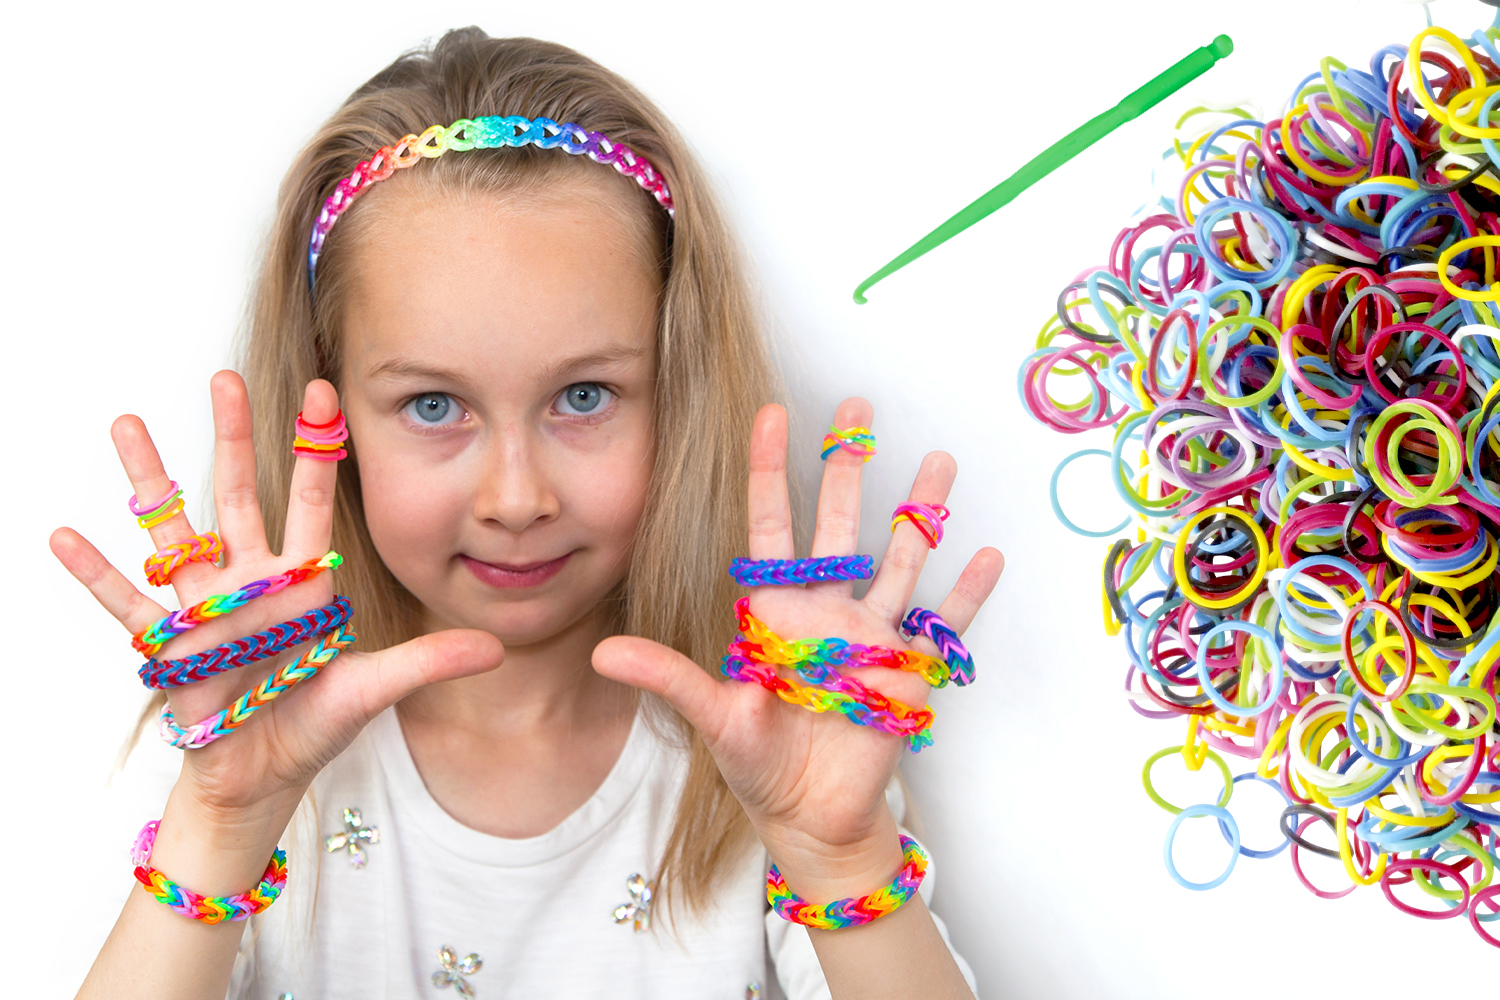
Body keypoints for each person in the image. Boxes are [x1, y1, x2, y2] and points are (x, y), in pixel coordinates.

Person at [52, 27, 1004, 1000]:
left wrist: (843, 863)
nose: (517, 499)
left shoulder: (785, 752)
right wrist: (219, 824)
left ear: (678, 394)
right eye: (434, 406)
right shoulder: (249, 759)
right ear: (330, 419)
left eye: (584, 396)